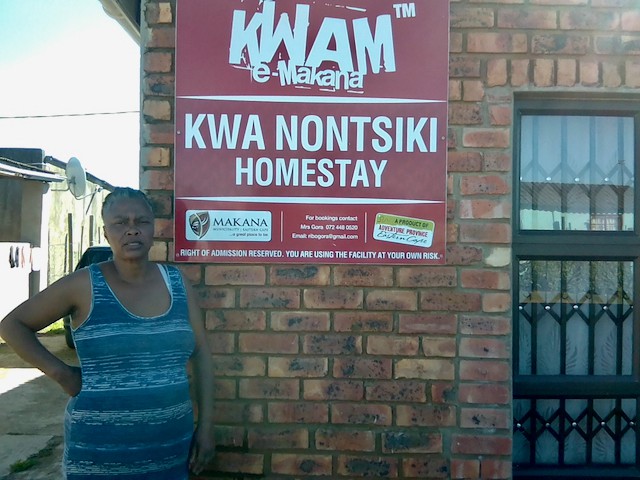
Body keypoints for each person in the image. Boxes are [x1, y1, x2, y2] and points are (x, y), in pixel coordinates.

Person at [0, 187, 215, 479]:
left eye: (141, 221)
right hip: (98, 459)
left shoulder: (177, 283)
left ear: (153, 228)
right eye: (120, 223)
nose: (132, 230)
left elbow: (201, 353)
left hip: (170, 453)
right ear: (105, 233)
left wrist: (206, 428)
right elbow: (12, 325)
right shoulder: (83, 286)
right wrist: (63, 374)